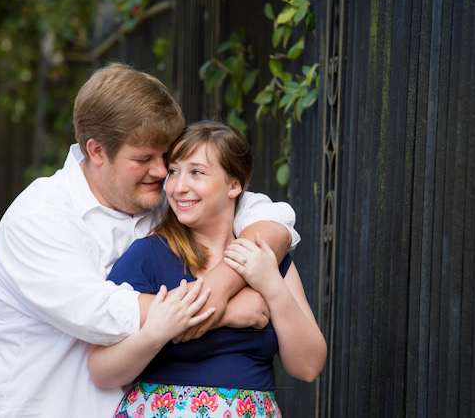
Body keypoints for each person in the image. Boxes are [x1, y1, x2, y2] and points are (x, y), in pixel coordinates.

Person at [0, 64, 300, 418]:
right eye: (143, 159)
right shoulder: (39, 218)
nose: (160, 172)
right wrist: (228, 310)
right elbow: (104, 312)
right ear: (96, 151)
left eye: (165, 159)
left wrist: (221, 284)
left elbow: (271, 216)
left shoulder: (159, 193)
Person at [87, 121, 327, 417]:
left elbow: (308, 367)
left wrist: (272, 287)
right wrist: (157, 332)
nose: (178, 186)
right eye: (173, 171)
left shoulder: (265, 257)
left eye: (197, 172)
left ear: (234, 185)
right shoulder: (148, 256)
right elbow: (101, 371)